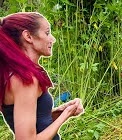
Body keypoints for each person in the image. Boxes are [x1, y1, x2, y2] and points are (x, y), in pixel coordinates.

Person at [0, 12, 84, 140]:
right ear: (28, 36)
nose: (52, 39)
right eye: (47, 33)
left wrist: (60, 112)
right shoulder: (25, 80)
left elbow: (35, 122)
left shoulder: (16, 75)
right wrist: (65, 115)